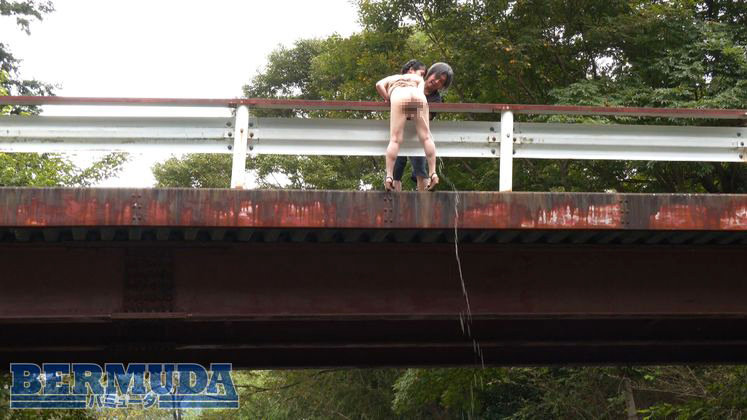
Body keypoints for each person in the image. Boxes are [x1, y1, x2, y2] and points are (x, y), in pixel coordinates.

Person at [376, 61, 453, 191]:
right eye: (436, 77)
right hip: (418, 99)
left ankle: (388, 176)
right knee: (427, 138)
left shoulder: (393, 78)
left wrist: (388, 99)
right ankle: (433, 172)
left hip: (400, 100)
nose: (436, 82)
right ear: (429, 74)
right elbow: (419, 92)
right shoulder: (418, 79)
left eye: (441, 81)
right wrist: (414, 110)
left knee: (395, 140)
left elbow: (378, 85)